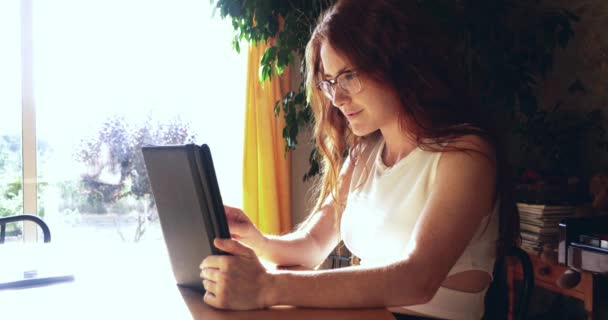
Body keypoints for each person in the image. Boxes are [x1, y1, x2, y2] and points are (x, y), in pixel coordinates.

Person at [200, 1, 520, 319]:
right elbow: (312, 244)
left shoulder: (466, 155)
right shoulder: (364, 154)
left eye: (349, 76)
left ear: (396, 64)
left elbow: (417, 278)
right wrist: (256, 240)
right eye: (329, 82)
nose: (337, 98)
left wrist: (268, 286)